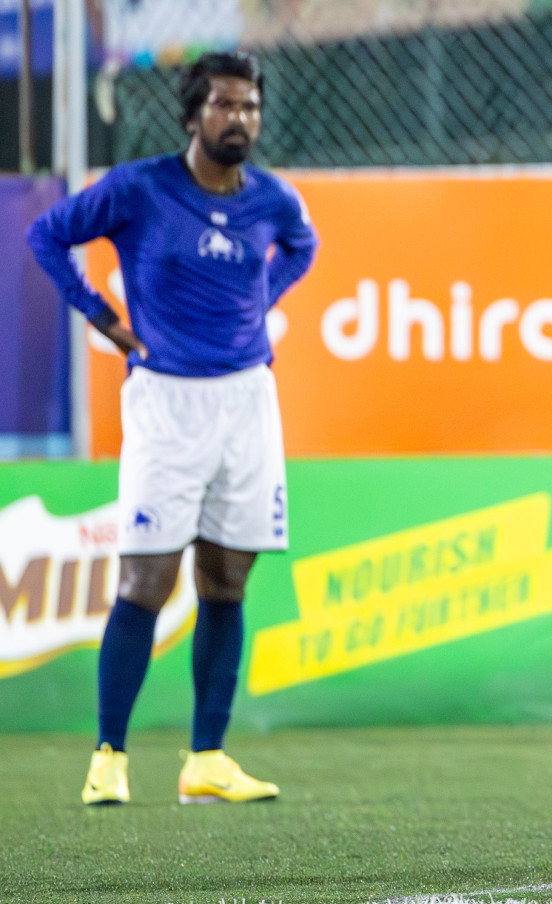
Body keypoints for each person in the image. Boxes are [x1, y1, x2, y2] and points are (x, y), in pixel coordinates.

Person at [28, 51, 318, 806]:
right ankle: (109, 758)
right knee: (146, 581)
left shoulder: (273, 202)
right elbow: (46, 236)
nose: (239, 118)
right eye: (224, 105)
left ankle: (208, 759)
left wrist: (259, 302)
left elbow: (303, 249)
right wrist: (102, 317)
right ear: (193, 117)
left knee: (227, 580)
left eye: (250, 106)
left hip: (248, 401)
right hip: (165, 403)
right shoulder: (140, 188)